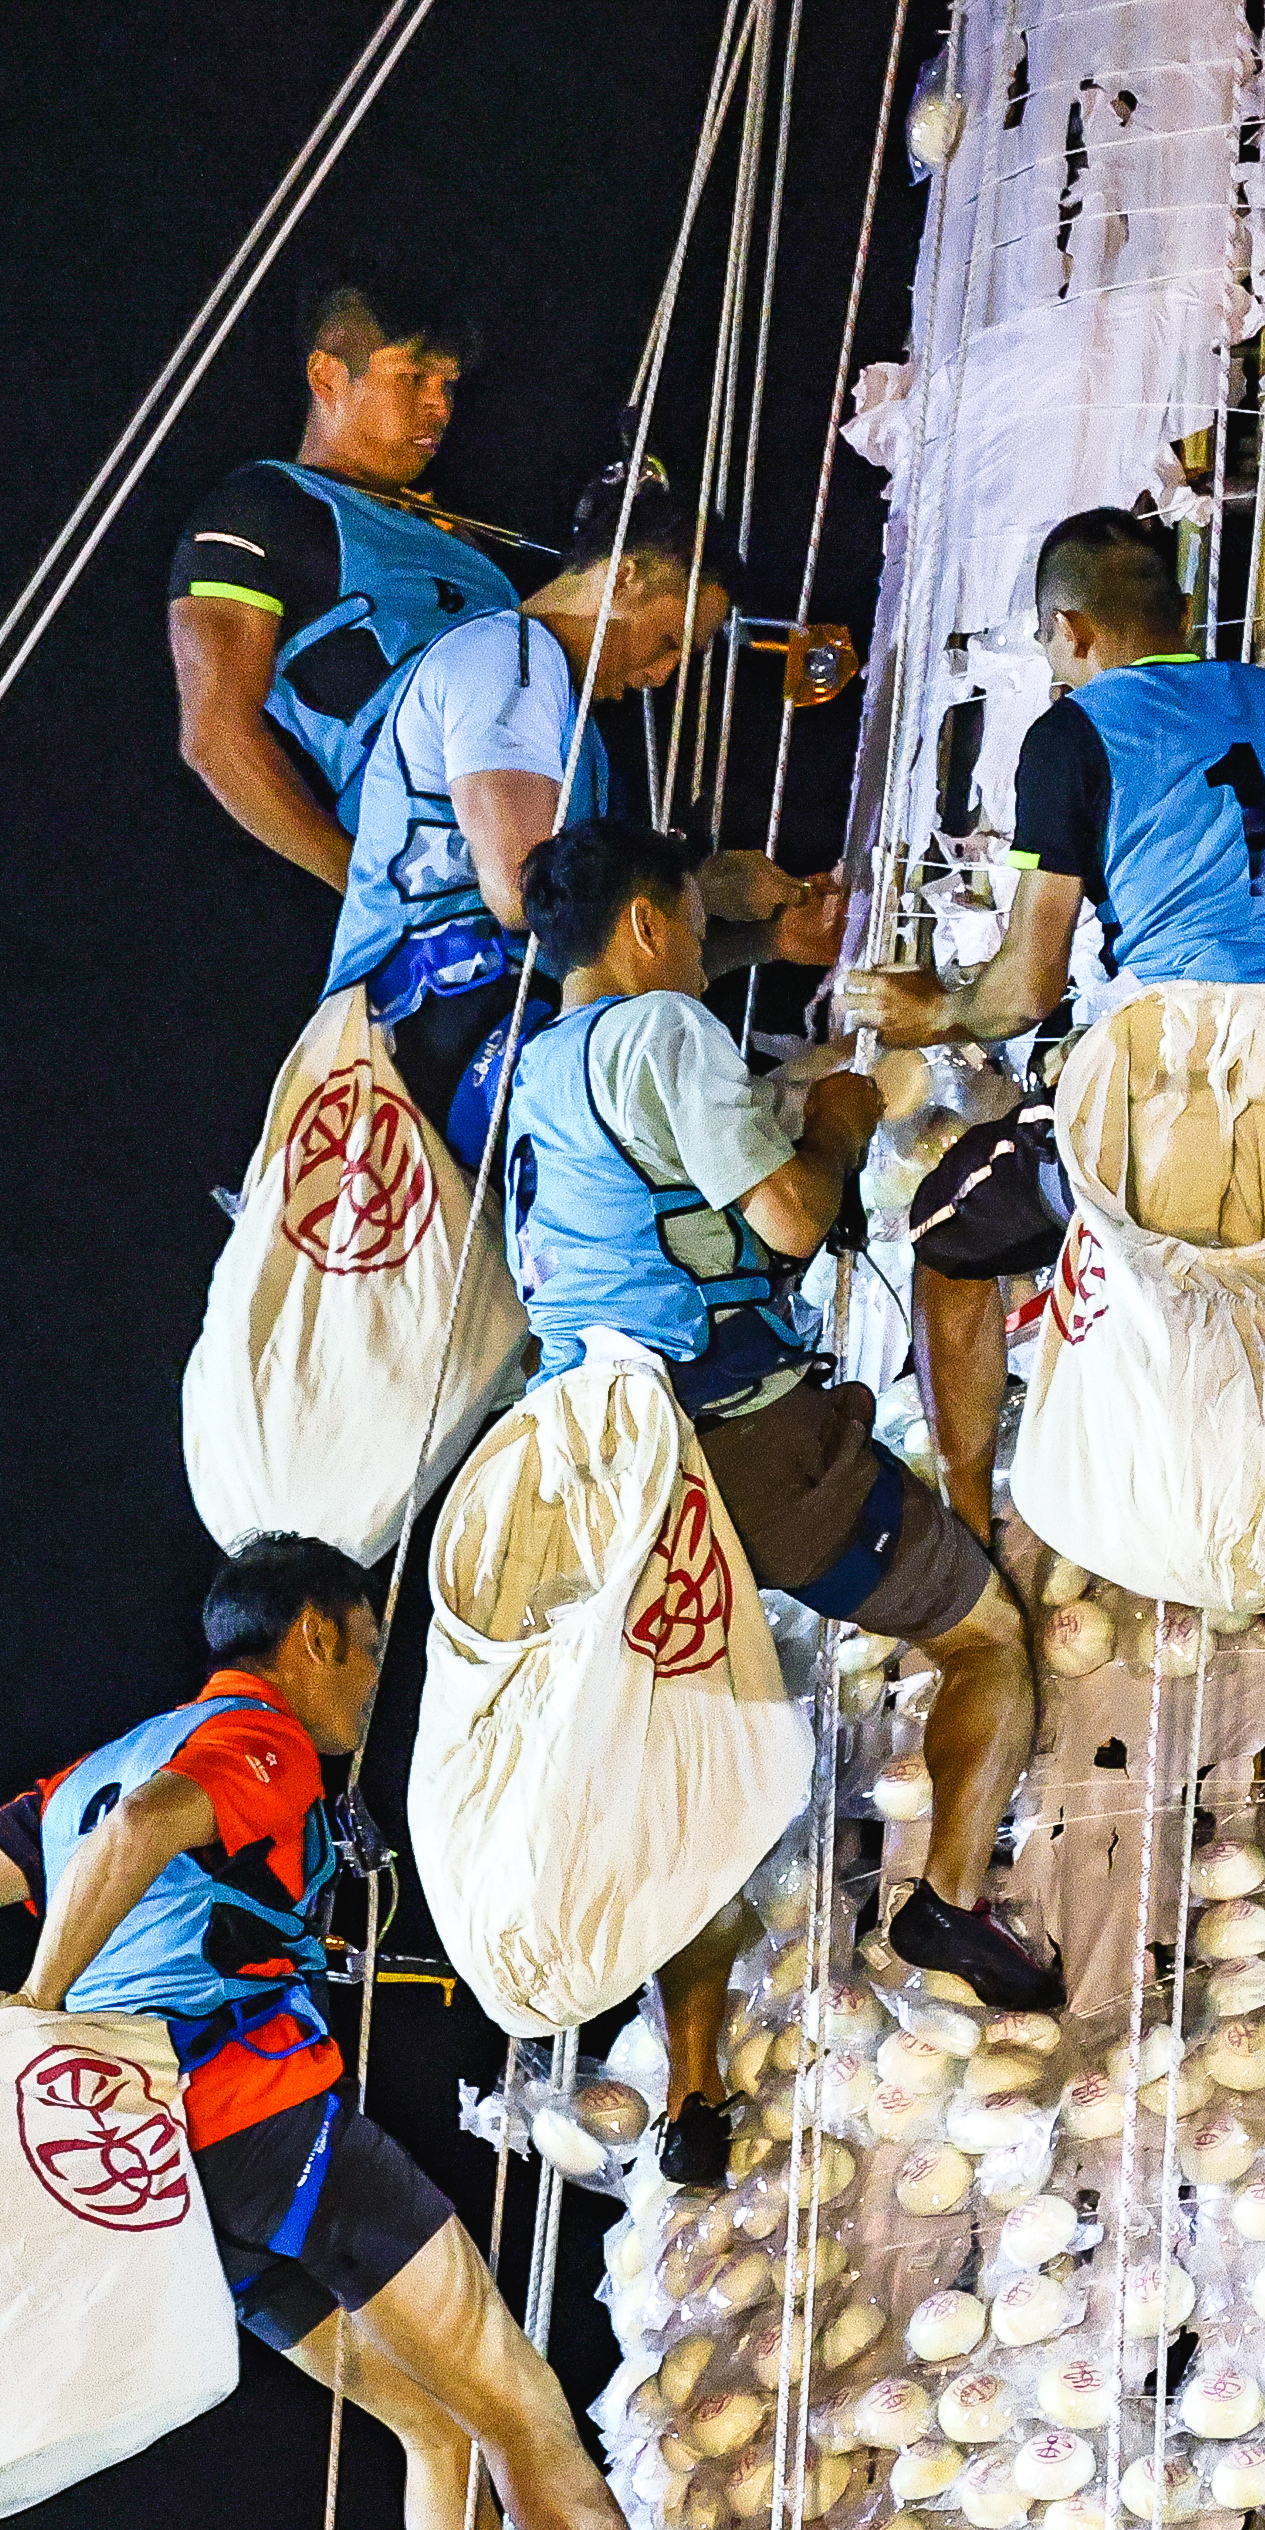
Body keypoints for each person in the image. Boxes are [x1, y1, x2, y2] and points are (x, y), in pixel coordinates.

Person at [0, 1534, 754, 2530]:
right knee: (511, 2395)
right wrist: (36, 2005)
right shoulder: (259, 1739)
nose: (374, 1684)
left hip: (170, 2190)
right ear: (314, 1636)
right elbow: (153, 1828)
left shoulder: (91, 1771)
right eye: (370, 1650)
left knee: (426, 2422)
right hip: (265, 2122)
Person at [502, 824, 1068, 2075]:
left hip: (600, 1473)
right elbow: (794, 1218)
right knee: (984, 1634)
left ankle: (689, 2084)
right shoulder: (661, 1030)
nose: (703, 956)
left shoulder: (533, 1074)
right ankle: (952, 1900)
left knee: (686, 1768)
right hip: (739, 1441)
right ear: (646, 923)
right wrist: (840, 1123)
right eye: (696, 927)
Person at [838, 508, 1265, 1586]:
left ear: (1072, 628)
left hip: (1167, 1091)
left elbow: (1024, 991)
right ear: (1177, 613)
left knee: (944, 1224)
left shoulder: (1073, 735)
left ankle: (970, 1534)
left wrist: (932, 1010)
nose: (1052, 666)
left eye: (1047, 644)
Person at [317, 462, 826, 1159]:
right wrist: (702, 889)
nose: (663, 674)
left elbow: (601, 953)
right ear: (623, 576)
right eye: (669, 642)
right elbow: (523, 893)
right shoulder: (509, 657)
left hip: (470, 1031)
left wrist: (766, 941)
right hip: (421, 1021)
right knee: (712, 1133)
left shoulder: (575, 734)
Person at [166, 261, 525, 893]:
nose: (439, 404)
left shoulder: (456, 535)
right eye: (412, 377)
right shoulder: (264, 508)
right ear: (328, 377)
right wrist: (365, 883)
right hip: (439, 873)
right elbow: (215, 734)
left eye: (447, 383)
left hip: (558, 846)